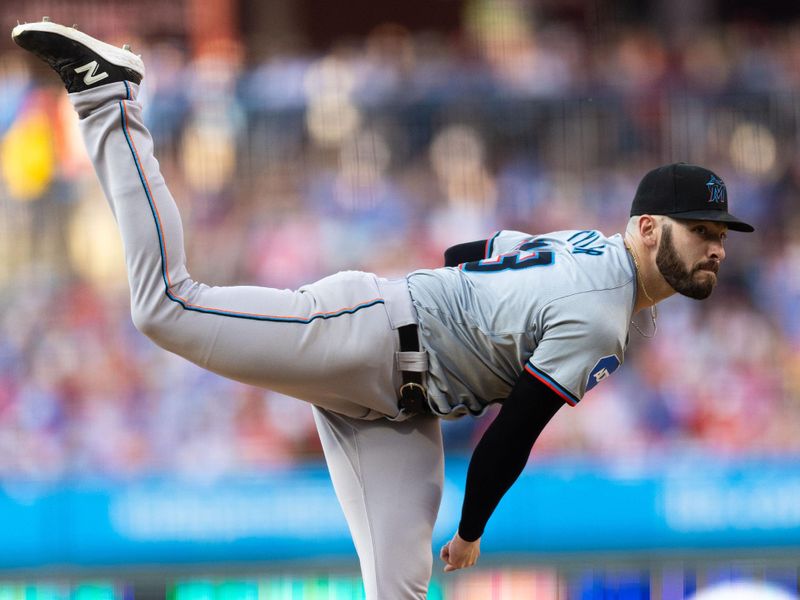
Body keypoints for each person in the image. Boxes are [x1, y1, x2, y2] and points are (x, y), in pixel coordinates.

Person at [12, 19, 754, 599]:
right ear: (649, 227)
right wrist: (469, 531)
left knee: (397, 593)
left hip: (405, 404)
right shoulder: (604, 308)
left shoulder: (590, 247)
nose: (716, 247)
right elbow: (512, 435)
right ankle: (107, 94)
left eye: (721, 234)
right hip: (371, 337)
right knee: (166, 306)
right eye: (702, 231)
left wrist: (461, 302)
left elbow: (481, 247)